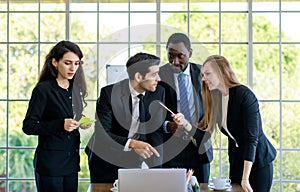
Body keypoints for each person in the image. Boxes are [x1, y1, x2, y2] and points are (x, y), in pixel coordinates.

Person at [198, 55, 277, 192]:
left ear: (222, 72)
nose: (203, 79)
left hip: (257, 163)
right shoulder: (216, 97)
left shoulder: (245, 95)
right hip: (238, 163)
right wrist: (184, 124)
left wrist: (245, 178)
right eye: (203, 75)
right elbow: (205, 130)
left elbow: (252, 139)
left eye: (208, 74)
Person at [85, 52, 165, 183]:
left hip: (133, 159)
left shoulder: (158, 93)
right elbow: (102, 133)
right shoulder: (109, 94)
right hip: (105, 157)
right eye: (154, 74)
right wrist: (133, 144)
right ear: (139, 76)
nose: (159, 79)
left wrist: (157, 170)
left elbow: (155, 131)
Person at [22, 40, 91, 191]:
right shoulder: (43, 90)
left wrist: (82, 121)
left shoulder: (75, 88)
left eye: (77, 63)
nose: (73, 68)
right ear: (54, 62)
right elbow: (29, 126)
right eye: (67, 63)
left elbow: (72, 115)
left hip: (71, 161)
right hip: (50, 164)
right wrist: (61, 124)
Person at [158, 33, 213, 183]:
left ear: (190, 53)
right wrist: (167, 126)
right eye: (170, 55)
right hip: (169, 149)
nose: (175, 61)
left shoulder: (204, 74)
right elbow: (151, 113)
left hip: (198, 147)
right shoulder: (159, 76)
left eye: (180, 56)